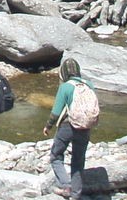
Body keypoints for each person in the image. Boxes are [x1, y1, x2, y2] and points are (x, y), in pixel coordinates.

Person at [43, 58, 93, 198]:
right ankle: (76, 194)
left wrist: (48, 126)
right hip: (85, 126)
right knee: (78, 160)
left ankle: (66, 186)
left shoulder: (65, 87)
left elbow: (56, 111)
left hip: (68, 126)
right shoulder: (88, 84)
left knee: (56, 156)